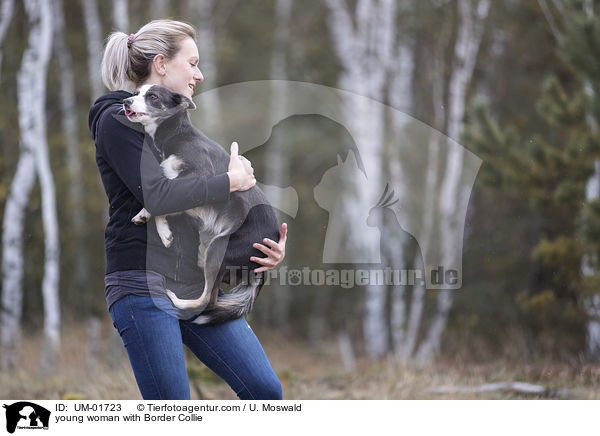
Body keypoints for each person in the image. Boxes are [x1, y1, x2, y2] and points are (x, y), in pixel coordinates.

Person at [88, 20, 288, 400]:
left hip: (191, 281)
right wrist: (230, 180)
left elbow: (206, 201)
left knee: (265, 390)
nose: (199, 74)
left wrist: (261, 246)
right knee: (173, 412)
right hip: (141, 284)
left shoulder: (174, 122)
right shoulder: (117, 117)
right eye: (192, 63)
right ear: (161, 64)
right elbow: (159, 196)